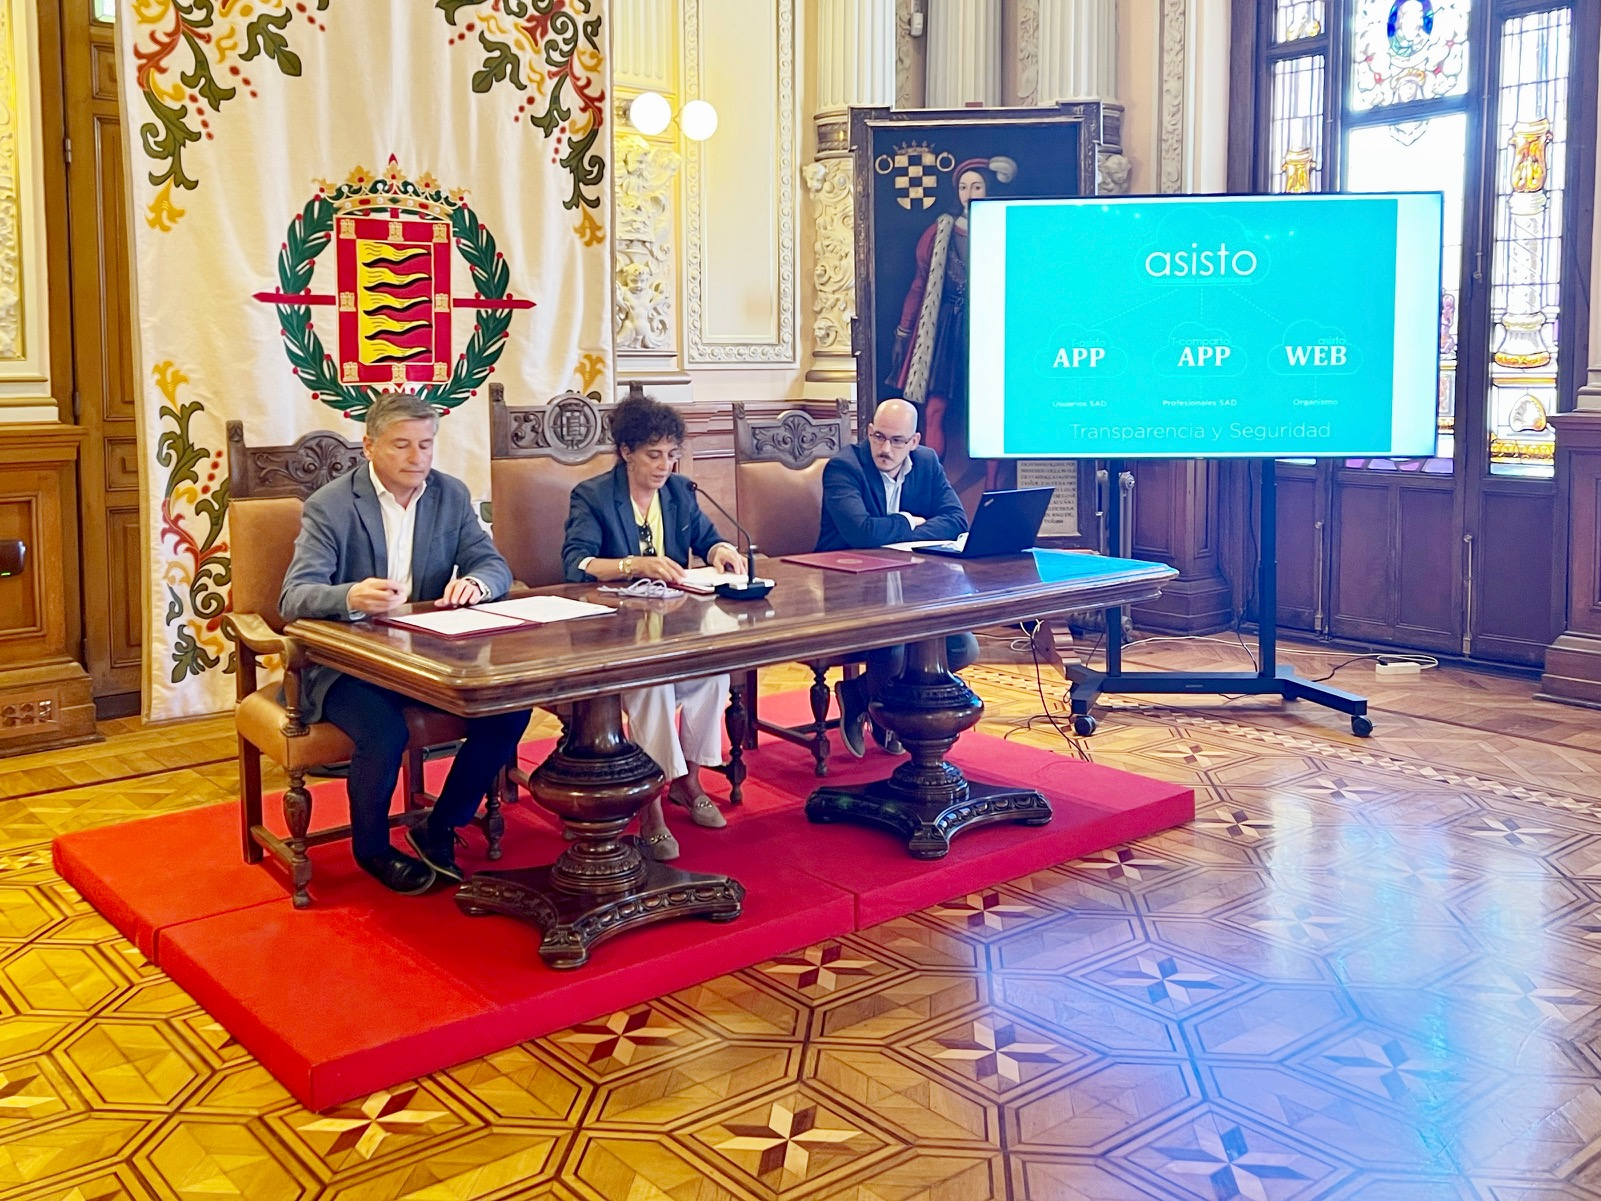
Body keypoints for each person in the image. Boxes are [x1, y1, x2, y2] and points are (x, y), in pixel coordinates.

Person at [279, 391, 532, 895]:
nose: (417, 457)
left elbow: (493, 564)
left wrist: (477, 583)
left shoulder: (449, 495)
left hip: (425, 659)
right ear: (369, 446)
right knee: (384, 733)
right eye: (402, 445)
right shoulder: (331, 505)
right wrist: (350, 595)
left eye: (426, 444)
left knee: (509, 709)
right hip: (348, 664)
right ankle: (372, 849)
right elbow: (293, 597)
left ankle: (440, 826)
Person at [561, 393, 742, 860]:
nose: (665, 466)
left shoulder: (679, 492)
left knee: (712, 671)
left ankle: (689, 779)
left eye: (671, 455)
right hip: (613, 634)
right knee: (653, 686)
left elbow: (706, 538)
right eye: (653, 455)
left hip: (672, 625)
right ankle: (651, 804)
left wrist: (721, 550)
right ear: (626, 451)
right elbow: (576, 563)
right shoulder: (593, 496)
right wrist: (632, 564)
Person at [817, 398, 980, 757]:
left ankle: (860, 694)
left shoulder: (927, 463)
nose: (885, 449)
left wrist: (895, 530)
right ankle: (887, 708)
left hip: (910, 585)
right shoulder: (844, 467)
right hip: (847, 585)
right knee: (894, 647)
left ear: (915, 441)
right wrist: (909, 522)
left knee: (963, 647)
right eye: (878, 437)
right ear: (868, 432)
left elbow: (956, 520)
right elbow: (861, 533)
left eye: (896, 440)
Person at [886, 154, 1015, 490]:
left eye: (977, 186)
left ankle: (991, 489)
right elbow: (919, 284)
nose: (969, 193)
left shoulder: (1006, 228)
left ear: (988, 189)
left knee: (989, 413)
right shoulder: (939, 233)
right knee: (934, 410)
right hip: (947, 329)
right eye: (964, 186)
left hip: (989, 329)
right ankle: (933, 485)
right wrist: (903, 330)